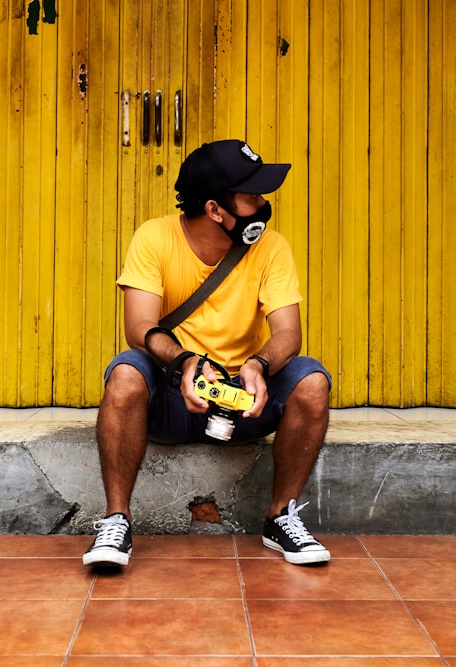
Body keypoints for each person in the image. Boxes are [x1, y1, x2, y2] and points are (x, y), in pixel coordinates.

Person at [84, 139, 332, 568]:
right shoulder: (154, 237)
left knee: (312, 379)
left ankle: (279, 518)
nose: (263, 203)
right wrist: (184, 363)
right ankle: (116, 520)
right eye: (251, 196)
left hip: (244, 401)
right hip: (174, 396)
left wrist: (259, 364)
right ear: (216, 209)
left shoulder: (271, 247)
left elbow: (289, 332)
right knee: (126, 371)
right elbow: (138, 327)